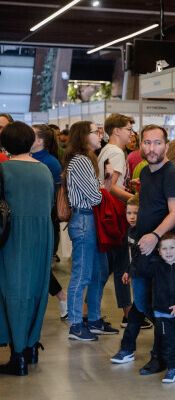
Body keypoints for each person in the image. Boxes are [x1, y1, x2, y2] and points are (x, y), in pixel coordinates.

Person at [0, 122, 55, 376]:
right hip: (42, 237)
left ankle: (17, 355)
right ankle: (31, 346)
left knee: (13, 291)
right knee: (35, 290)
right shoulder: (44, 169)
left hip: (14, 238)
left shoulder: (4, 169)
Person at [133, 124, 175, 376]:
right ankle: (173, 346)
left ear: (166, 145)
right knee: (145, 303)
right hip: (146, 249)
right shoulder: (145, 172)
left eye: (157, 143)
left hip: (165, 251)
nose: (151, 148)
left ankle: (162, 356)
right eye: (147, 142)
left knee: (161, 305)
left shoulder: (173, 174)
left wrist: (155, 236)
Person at [63, 121, 113, 341]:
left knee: (96, 272)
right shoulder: (82, 161)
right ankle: (76, 324)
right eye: (96, 132)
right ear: (83, 136)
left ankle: (92, 319)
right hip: (84, 221)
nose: (100, 135)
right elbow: (94, 197)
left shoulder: (84, 160)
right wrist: (108, 181)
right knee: (83, 275)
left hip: (87, 220)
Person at [137, 233, 175, 384]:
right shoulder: (156, 268)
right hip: (163, 314)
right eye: (164, 249)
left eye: (172, 248)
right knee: (168, 342)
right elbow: (142, 268)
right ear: (159, 251)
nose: (168, 252)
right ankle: (171, 368)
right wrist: (143, 251)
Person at [99, 113, 136, 328]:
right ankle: (128, 314)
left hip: (109, 214)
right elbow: (110, 187)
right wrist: (135, 199)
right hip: (115, 214)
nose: (131, 133)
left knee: (115, 263)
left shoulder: (107, 150)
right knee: (119, 263)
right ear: (116, 131)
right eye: (128, 129)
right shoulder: (116, 152)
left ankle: (128, 313)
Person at [110, 195, 154, 365]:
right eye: (129, 213)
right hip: (137, 275)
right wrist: (129, 270)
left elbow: (143, 257)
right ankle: (127, 348)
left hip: (145, 276)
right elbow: (135, 256)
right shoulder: (130, 231)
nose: (132, 217)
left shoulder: (144, 232)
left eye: (136, 213)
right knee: (138, 311)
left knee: (144, 309)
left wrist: (134, 271)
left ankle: (170, 341)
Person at [30, 124, 68, 318]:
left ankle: (61, 295)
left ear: (41, 141)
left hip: (46, 221)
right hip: (31, 221)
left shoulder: (50, 162)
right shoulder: (26, 158)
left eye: (32, 134)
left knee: (40, 264)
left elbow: (50, 197)